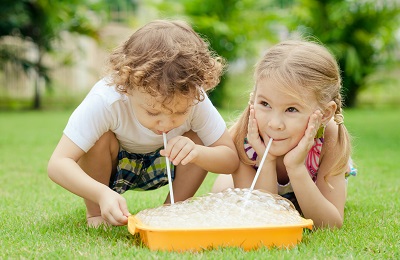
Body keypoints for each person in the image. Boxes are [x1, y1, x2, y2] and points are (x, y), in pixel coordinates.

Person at [47, 19, 239, 228]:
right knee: (98, 139)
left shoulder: (195, 98)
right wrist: (101, 194)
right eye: (153, 111)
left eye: (180, 112)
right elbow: (58, 163)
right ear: (127, 86)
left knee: (197, 139)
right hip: (114, 164)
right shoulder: (106, 100)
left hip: (167, 162)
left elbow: (230, 159)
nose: (166, 123)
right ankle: (96, 213)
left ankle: (173, 211)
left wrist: (198, 152)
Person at [212, 39, 357, 228]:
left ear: (325, 114)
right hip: (258, 184)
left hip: (311, 184)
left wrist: (295, 168)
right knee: (223, 193)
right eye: (265, 104)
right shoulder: (244, 137)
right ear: (253, 99)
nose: (275, 124)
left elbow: (330, 224)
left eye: (291, 109)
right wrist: (267, 159)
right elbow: (263, 216)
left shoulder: (330, 138)